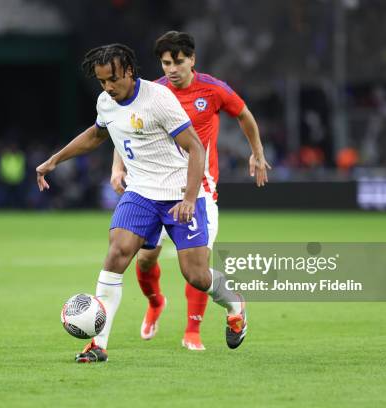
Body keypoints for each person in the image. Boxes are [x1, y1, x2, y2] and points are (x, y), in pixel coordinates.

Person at [36, 43, 247, 363]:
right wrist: (55, 160)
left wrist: (190, 198)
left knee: (197, 276)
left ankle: (235, 305)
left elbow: (195, 148)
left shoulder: (159, 99)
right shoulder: (106, 102)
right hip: (141, 193)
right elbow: (96, 135)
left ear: (130, 72)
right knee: (117, 252)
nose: (108, 87)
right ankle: (98, 344)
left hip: (180, 192)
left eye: (114, 80)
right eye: (102, 81)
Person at [110, 31, 270, 350]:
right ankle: (156, 303)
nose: (172, 68)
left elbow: (244, 114)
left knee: (196, 268)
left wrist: (258, 152)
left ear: (192, 60)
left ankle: (194, 331)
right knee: (143, 260)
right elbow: (127, 125)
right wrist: (118, 166)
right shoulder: (153, 92)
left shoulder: (212, 89)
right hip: (156, 190)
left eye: (178, 62)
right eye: (166, 62)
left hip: (200, 193)